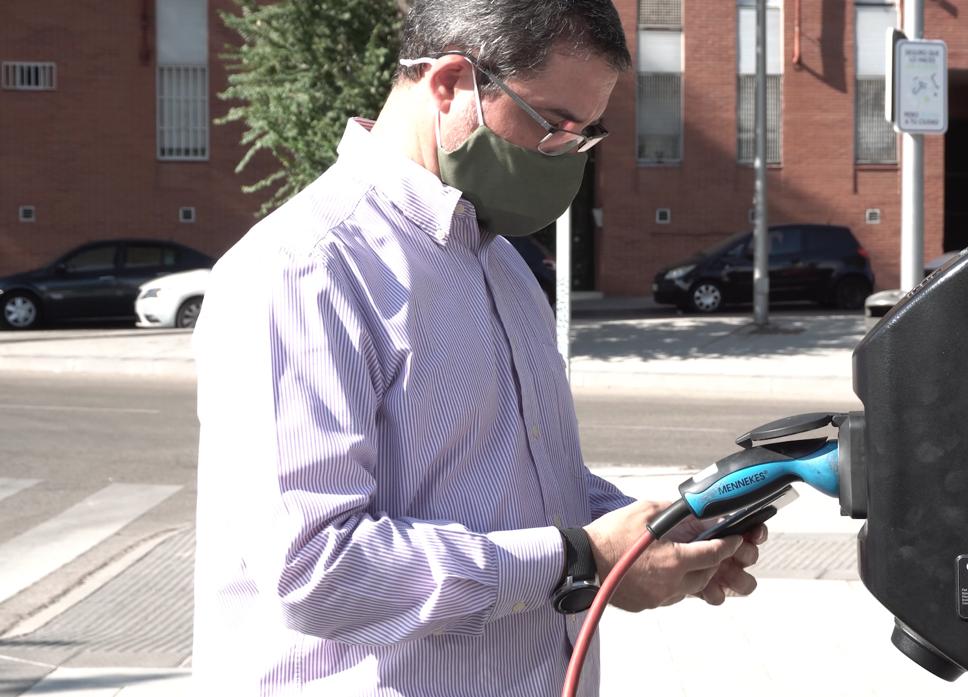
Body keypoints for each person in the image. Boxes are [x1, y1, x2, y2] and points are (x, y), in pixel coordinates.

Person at [191, 2, 765, 695]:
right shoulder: (304, 269)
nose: (563, 153)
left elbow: (517, 484)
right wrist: (578, 559)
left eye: (584, 134)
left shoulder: (499, 261)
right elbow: (310, 567)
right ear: (449, 84)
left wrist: (649, 537)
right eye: (552, 124)